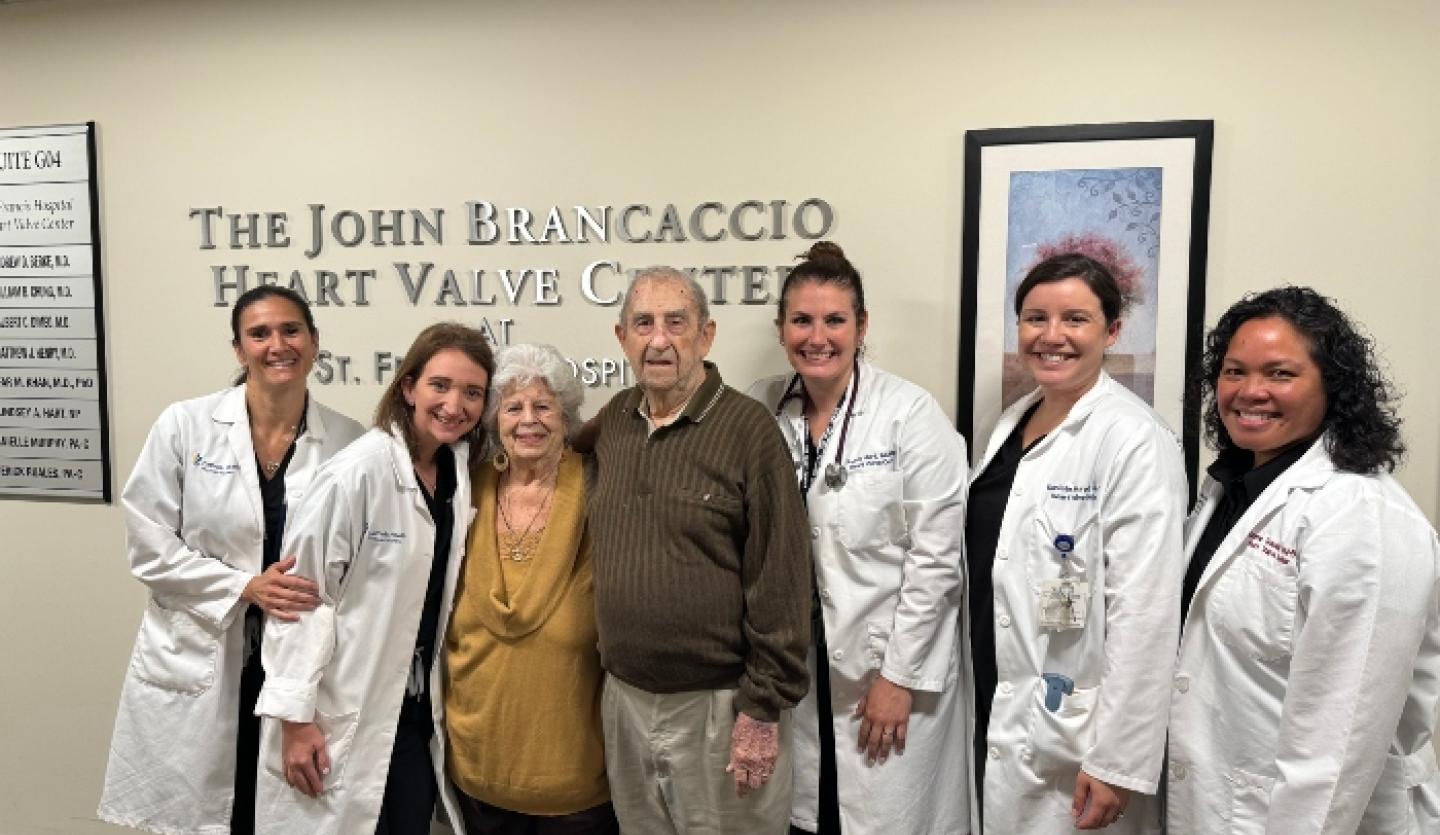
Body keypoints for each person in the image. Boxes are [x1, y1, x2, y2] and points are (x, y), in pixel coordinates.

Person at [1167, 286, 1440, 834]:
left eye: (1280, 374)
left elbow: (1339, 744)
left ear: (1332, 388)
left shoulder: (1362, 518)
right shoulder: (1230, 489)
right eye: (1234, 371)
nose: (1250, 392)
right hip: (1220, 800)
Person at [98, 286, 364, 835]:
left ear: (315, 343)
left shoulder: (347, 442)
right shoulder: (185, 426)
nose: (277, 345)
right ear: (240, 351)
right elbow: (149, 546)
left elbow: (352, 567)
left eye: (291, 330)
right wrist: (245, 586)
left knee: (280, 816)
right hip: (202, 656)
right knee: (205, 811)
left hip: (296, 667)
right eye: (259, 334)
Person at [746, 242, 972, 835]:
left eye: (834, 320)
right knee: (808, 817)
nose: (817, 337)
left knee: (881, 818)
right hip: (798, 668)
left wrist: (899, 679)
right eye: (801, 320)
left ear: (861, 325)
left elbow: (937, 563)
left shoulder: (911, 415)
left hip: (884, 667)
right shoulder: (764, 409)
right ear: (781, 328)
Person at [586, 266, 812, 834]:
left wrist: (761, 709)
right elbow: (539, 445)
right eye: (642, 323)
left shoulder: (748, 430)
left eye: (675, 322)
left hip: (720, 707)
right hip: (625, 702)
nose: (658, 339)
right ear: (622, 338)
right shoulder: (613, 421)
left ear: (705, 336)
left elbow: (781, 578)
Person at [968, 252, 1185, 832]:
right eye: (1035, 318)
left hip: (1077, 731)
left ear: (1112, 331)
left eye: (1075, 319)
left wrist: (1120, 759)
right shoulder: (1009, 421)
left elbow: (1148, 613)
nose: (1051, 336)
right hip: (995, 696)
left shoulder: (1135, 439)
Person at [253, 322, 493, 835]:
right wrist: (295, 721)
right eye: (440, 385)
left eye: (473, 393)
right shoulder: (356, 473)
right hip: (342, 708)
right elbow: (302, 599)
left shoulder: (456, 471)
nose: (455, 405)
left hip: (413, 710)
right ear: (408, 387)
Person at [445, 343, 618, 834]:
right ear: (494, 419)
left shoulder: (600, 487)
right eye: (513, 407)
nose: (528, 420)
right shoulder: (465, 489)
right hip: (478, 763)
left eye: (544, 406)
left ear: (566, 418)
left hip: (575, 773)